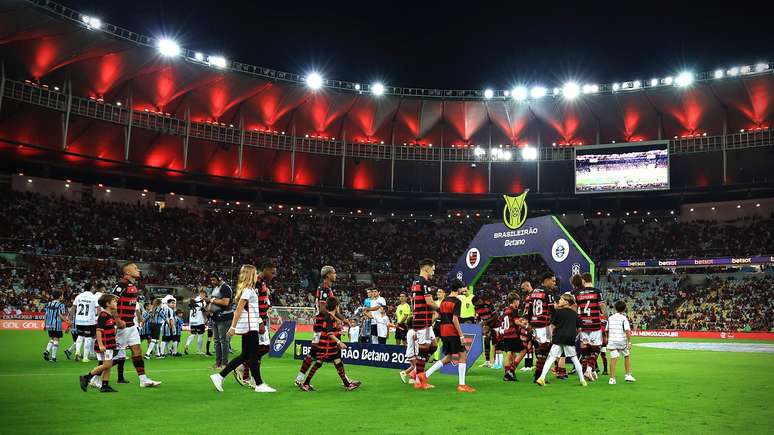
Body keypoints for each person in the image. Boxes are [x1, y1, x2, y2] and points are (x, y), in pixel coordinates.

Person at [209, 264, 276, 393]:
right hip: (250, 326)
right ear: (250, 275)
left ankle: (220, 376)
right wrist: (233, 327)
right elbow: (239, 309)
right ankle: (259, 384)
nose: (256, 275)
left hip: (250, 326)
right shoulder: (248, 290)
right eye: (254, 273)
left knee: (245, 356)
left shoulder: (247, 289)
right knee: (253, 356)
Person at [295, 265, 347, 386]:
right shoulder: (324, 288)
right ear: (328, 275)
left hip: (326, 325)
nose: (336, 275)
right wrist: (336, 319)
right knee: (316, 353)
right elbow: (323, 309)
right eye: (334, 273)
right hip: (322, 326)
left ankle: (346, 380)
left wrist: (344, 319)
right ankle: (300, 379)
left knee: (333, 353)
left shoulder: (327, 288)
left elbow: (332, 309)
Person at [112, 262, 161, 388]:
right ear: (128, 272)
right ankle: (93, 376)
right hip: (121, 327)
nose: (138, 270)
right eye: (135, 268)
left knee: (137, 351)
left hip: (131, 325)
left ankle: (143, 379)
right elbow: (111, 303)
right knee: (115, 355)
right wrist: (117, 320)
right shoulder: (120, 285)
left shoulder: (132, 285)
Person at [298, 297, 361, 391]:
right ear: (336, 307)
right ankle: (347, 384)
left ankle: (306, 383)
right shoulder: (329, 318)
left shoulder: (329, 317)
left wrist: (338, 333)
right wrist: (339, 342)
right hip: (327, 347)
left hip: (325, 345)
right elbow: (329, 333)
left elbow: (329, 331)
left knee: (321, 363)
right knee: (335, 363)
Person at [424, 279, 475, 392]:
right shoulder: (457, 301)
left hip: (443, 331)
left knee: (448, 357)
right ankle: (462, 385)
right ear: (459, 288)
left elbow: (438, 315)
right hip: (452, 331)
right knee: (462, 355)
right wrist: (461, 335)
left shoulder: (444, 300)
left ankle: (425, 375)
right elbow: (455, 319)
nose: (464, 289)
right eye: (462, 287)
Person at [234, 261, 277, 388]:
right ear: (265, 270)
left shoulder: (263, 283)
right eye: (272, 272)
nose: (274, 275)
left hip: (262, 320)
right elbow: (250, 305)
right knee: (262, 349)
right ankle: (243, 368)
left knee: (259, 350)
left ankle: (251, 377)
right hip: (256, 322)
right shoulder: (256, 282)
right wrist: (259, 322)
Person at [535, 293, 587, 387]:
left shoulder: (558, 312)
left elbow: (552, 326)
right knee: (575, 359)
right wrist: (575, 336)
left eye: (562, 299)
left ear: (566, 302)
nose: (560, 300)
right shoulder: (575, 314)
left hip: (558, 337)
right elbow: (579, 328)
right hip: (570, 338)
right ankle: (582, 380)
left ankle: (542, 378)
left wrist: (551, 337)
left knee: (551, 358)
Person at [80, 294, 119, 393]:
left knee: (108, 365)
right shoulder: (103, 315)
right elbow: (98, 331)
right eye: (114, 301)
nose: (116, 302)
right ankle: (86, 377)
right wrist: (101, 344)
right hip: (105, 345)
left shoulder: (109, 314)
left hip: (110, 344)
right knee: (107, 364)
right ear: (107, 304)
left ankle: (104, 385)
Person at [410, 258, 440, 390]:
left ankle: (416, 371)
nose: (434, 271)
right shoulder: (424, 282)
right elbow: (429, 302)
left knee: (433, 345)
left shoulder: (415, 282)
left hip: (424, 321)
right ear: (426, 268)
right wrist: (443, 310)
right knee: (424, 349)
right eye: (433, 269)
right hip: (423, 321)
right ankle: (420, 381)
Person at [524, 271, 557, 383]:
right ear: (546, 280)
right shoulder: (548, 292)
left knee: (540, 349)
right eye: (552, 281)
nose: (554, 283)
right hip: (544, 325)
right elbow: (552, 311)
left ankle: (539, 374)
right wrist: (555, 324)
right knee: (544, 350)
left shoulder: (533, 293)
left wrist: (529, 324)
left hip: (534, 324)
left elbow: (529, 311)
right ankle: (539, 376)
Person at [575, 273, 607, 381]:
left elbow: (575, 308)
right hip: (595, 324)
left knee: (585, 350)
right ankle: (589, 370)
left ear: (583, 280)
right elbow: (602, 306)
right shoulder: (597, 292)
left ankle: (590, 371)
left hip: (583, 324)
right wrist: (606, 315)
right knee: (596, 348)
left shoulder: (578, 293)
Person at [498, 293, 529, 382]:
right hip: (513, 334)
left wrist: (520, 320)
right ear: (515, 301)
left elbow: (511, 320)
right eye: (518, 300)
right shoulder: (514, 309)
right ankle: (511, 370)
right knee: (524, 350)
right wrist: (526, 327)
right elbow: (516, 322)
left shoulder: (505, 311)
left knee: (509, 352)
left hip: (505, 334)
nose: (519, 302)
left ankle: (507, 374)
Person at [208, 271, 234, 369]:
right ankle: (218, 363)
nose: (212, 281)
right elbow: (212, 299)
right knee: (216, 341)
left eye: (214, 279)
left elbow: (225, 302)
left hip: (224, 317)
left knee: (224, 341)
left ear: (220, 278)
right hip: (215, 317)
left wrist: (212, 300)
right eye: (211, 279)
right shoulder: (215, 288)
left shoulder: (226, 288)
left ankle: (224, 363)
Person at [607, 300, 636, 385]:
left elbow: (606, 330)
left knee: (613, 359)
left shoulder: (610, 318)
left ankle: (612, 379)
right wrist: (629, 342)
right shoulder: (624, 318)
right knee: (626, 355)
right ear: (624, 309)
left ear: (615, 308)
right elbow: (627, 331)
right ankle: (627, 375)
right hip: (621, 341)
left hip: (612, 341)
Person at [73, 283, 99, 362]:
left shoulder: (79, 296)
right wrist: (100, 317)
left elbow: (73, 307)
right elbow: (98, 308)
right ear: (91, 287)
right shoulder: (93, 297)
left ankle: (77, 352)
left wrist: (70, 319)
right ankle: (85, 357)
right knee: (88, 338)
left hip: (79, 320)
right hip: (89, 321)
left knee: (80, 336)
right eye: (94, 287)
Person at [472, 294, 497, 368]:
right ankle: (487, 361)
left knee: (495, 343)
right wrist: (479, 323)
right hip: (486, 326)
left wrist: (486, 323)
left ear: (479, 300)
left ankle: (495, 362)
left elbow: (496, 316)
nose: (476, 306)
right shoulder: (476, 307)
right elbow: (479, 317)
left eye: (476, 304)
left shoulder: (488, 304)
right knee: (486, 341)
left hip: (495, 325)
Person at [42, 290, 67, 362]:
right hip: (57, 324)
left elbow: (46, 315)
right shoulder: (61, 305)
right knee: (56, 339)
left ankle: (47, 350)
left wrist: (45, 324)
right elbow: (61, 315)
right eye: (62, 295)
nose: (62, 296)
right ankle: (53, 358)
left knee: (52, 338)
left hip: (49, 324)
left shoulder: (48, 304)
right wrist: (67, 322)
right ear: (60, 297)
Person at [185, 289, 208, 355]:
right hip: (199, 321)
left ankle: (187, 345)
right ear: (202, 294)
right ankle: (198, 350)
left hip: (192, 322)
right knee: (200, 335)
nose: (205, 296)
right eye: (204, 295)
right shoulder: (202, 302)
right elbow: (204, 311)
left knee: (193, 334)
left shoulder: (193, 301)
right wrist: (205, 318)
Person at [519, 279, 535, 372]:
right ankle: (528, 365)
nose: (522, 290)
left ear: (528, 285)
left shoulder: (533, 295)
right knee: (527, 343)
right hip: (527, 319)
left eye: (523, 288)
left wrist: (527, 319)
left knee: (529, 343)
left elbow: (531, 309)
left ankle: (529, 365)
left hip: (531, 321)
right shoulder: (528, 295)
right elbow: (526, 309)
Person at [399, 314, 416, 384]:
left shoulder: (410, 331)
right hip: (412, 351)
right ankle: (404, 373)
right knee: (416, 366)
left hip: (409, 351)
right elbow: (415, 340)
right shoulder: (413, 332)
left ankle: (411, 379)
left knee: (413, 366)